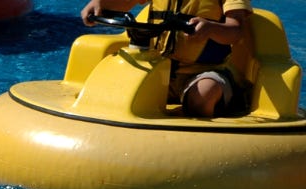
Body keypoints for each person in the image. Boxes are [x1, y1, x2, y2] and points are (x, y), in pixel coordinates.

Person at [80, 0, 252, 117]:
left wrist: (211, 28)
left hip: (206, 71)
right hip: (160, 72)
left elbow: (236, 31)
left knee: (202, 95)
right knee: (115, 89)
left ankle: (200, 137)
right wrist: (101, 3)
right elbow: (124, 2)